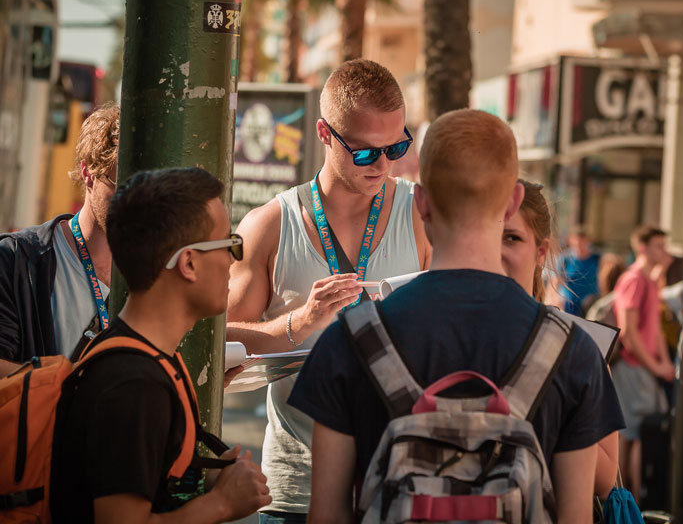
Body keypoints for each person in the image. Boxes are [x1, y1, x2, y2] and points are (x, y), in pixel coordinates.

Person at [288, 109, 623, 523]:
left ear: (423, 202)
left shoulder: (351, 341)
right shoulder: (573, 352)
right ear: (513, 201)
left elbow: (325, 515)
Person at [226, 59, 431, 522]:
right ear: (323, 133)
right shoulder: (269, 227)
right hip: (297, 490)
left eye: (396, 146)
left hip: (398, 483)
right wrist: (297, 323)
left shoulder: (421, 213)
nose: (382, 164)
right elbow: (219, 344)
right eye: (363, 152)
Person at [50, 167, 271, 523]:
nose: (234, 259)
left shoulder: (151, 361)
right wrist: (223, 503)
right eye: (228, 244)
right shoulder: (133, 383)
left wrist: (207, 478)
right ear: (188, 263)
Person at [501, 179, 623, 499]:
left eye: (511, 238)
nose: (496, 252)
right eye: (487, 236)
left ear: (541, 252)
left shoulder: (581, 346)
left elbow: (603, 481)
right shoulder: (456, 328)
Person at [0, 103, 119, 374]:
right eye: (120, 185)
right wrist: (71, 388)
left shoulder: (156, 270)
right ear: (88, 172)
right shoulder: (17, 260)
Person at [612, 224, 674, 502]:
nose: (664, 251)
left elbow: (656, 330)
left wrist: (664, 362)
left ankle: (631, 502)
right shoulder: (634, 279)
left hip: (644, 369)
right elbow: (629, 332)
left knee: (639, 435)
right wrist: (656, 366)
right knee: (635, 436)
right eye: (659, 246)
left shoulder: (649, 281)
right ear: (643, 248)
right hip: (633, 368)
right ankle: (631, 504)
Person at [557, 227, 601, 316]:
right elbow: (556, 282)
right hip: (570, 307)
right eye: (576, 242)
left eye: (582, 242)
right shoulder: (565, 260)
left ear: (588, 241)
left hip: (590, 307)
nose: (579, 245)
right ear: (571, 242)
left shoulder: (597, 259)